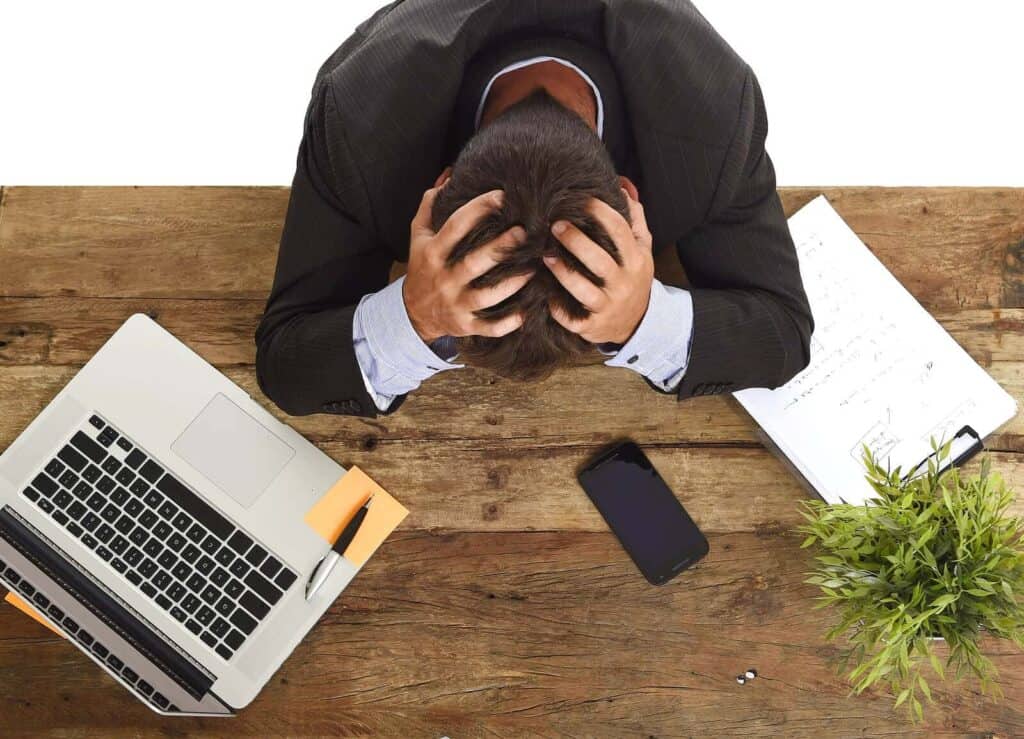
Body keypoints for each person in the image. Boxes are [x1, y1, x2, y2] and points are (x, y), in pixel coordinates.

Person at [256, 0, 814, 418]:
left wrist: (645, 320)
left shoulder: (715, 119)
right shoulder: (355, 119)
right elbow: (285, 366)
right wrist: (414, 317)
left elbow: (785, 335)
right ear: (441, 184)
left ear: (630, 195)